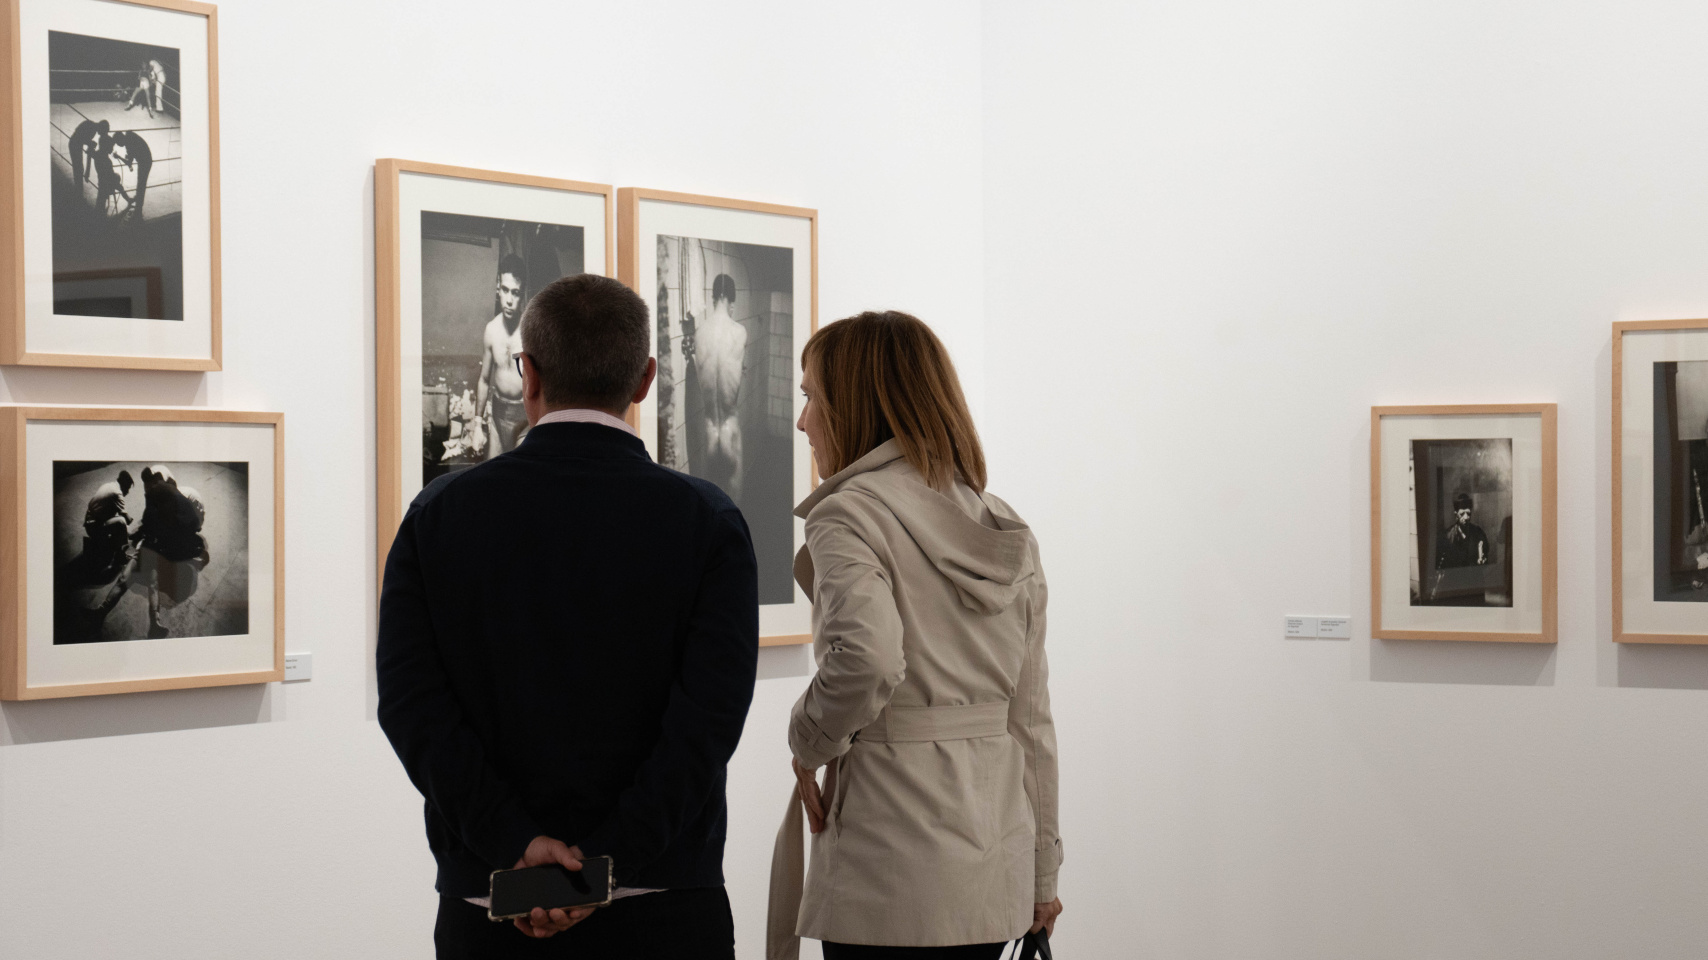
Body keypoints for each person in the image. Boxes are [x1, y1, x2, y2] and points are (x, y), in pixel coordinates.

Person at [378, 273, 760, 959]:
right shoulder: (708, 522)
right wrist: (602, 865)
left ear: (529, 374)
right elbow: (706, 725)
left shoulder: (438, 516)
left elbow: (412, 707)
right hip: (664, 905)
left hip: (494, 899)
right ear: (645, 380)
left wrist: (514, 843)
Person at [768, 311, 1063, 959]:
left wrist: (807, 741)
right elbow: (1031, 718)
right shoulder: (1003, 524)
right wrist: (1044, 870)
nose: (802, 420)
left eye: (811, 396)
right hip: (993, 869)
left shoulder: (849, 512)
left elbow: (868, 660)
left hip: (890, 869)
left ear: (857, 403)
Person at [134, 465, 210, 639]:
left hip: (192, 515)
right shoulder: (162, 482)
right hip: (188, 510)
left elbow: (171, 521)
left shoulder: (169, 493)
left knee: (174, 540)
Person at [692, 272, 747, 498]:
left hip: (709, 430)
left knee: (708, 502)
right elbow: (735, 379)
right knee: (733, 506)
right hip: (729, 427)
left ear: (714, 298)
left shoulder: (699, 334)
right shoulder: (739, 332)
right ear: (730, 300)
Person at [474, 254, 530, 458]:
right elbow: (484, 379)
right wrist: (477, 425)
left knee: (518, 482)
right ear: (498, 287)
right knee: (493, 482)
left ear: (522, 294)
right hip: (497, 418)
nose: (509, 300)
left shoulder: (531, 333)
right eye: (505, 290)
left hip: (524, 421)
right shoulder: (491, 331)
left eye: (515, 293)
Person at [1436, 492, 1488, 569]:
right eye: (1462, 514)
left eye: (1468, 513)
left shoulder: (1478, 532)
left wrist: (1482, 559)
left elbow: (1485, 552)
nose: (1466, 517)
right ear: (1456, 515)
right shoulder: (1448, 536)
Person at [110, 129, 152, 220]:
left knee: (141, 184)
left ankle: (138, 211)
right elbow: (134, 150)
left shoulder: (129, 145)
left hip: (144, 162)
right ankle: (137, 203)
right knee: (141, 184)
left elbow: (129, 163)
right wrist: (130, 155)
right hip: (145, 159)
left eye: (117, 143)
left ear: (120, 140)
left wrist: (119, 157)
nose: (118, 145)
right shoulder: (129, 135)